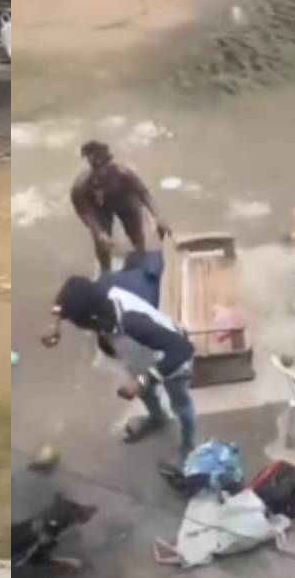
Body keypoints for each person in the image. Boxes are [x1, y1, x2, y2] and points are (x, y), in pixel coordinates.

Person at [43, 263, 198, 457]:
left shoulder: (132, 322)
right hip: (140, 356)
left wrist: (142, 380)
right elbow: (72, 286)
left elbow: (182, 349)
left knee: (180, 403)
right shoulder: (99, 294)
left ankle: (189, 443)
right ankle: (158, 418)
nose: (77, 326)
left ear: (92, 318)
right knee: (145, 394)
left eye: (76, 322)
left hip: (169, 359)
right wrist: (55, 321)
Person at [71, 141, 171, 273]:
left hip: (124, 200)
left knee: (136, 232)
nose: (101, 173)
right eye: (97, 168)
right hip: (98, 208)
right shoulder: (81, 187)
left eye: (105, 167)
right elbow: (86, 212)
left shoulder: (124, 175)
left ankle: (140, 261)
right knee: (102, 241)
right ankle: (105, 269)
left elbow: (144, 194)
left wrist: (158, 217)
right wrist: (99, 232)